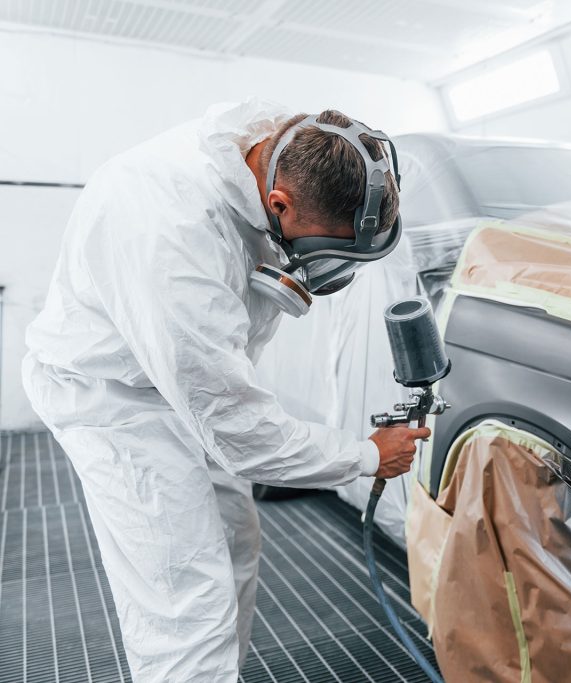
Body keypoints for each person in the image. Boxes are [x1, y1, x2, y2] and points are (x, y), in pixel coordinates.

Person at [21, 99, 427, 682]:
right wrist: (365, 455)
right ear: (279, 204)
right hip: (117, 400)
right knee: (186, 600)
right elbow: (239, 431)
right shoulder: (171, 235)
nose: (331, 273)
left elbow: (221, 393)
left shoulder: (282, 144)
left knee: (235, 547)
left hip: (187, 380)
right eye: (327, 253)